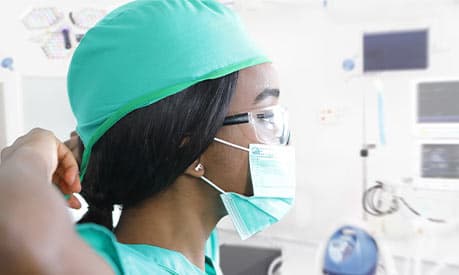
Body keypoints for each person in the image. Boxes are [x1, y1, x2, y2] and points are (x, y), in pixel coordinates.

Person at [0, 0, 295, 274]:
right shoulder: (111, 265)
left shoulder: (196, 254)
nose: (281, 139)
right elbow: (16, 234)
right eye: (265, 116)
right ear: (190, 142)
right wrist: (29, 152)